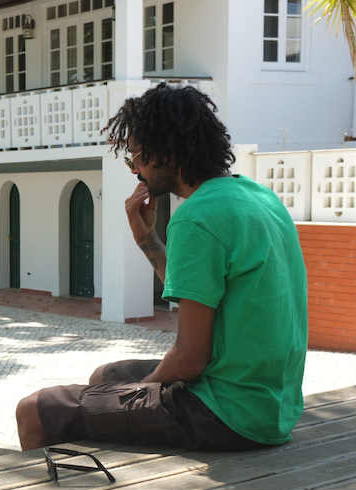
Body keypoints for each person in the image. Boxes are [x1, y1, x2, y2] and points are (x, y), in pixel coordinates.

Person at [15, 84, 308, 452]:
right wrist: (147, 240)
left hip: (226, 413)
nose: (135, 169)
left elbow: (189, 360)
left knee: (33, 411)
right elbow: (201, 297)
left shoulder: (196, 217)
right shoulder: (258, 197)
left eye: (136, 156)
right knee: (104, 377)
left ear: (166, 152)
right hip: (272, 404)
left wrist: (142, 390)